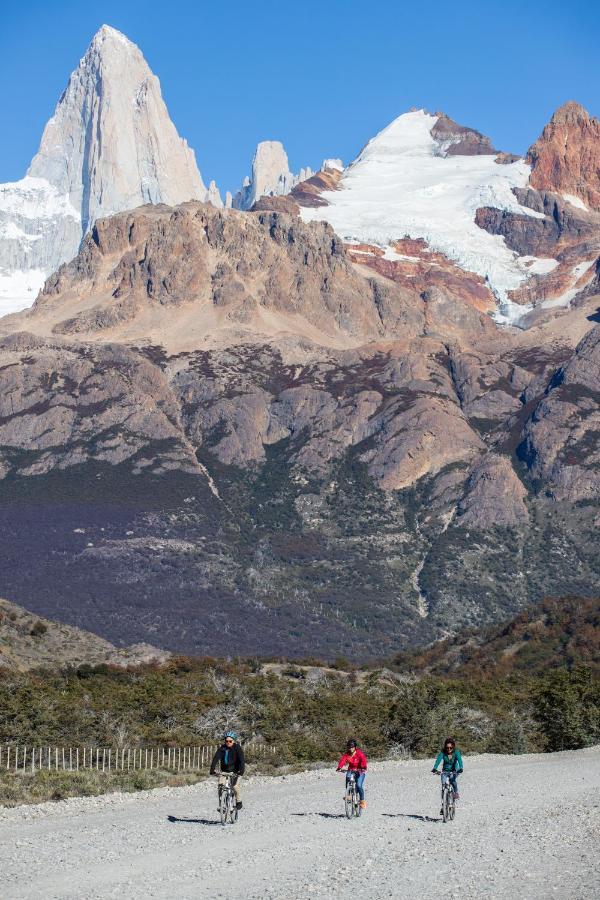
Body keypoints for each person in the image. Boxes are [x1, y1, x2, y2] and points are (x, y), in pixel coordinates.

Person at [210, 731, 245, 810]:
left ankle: (239, 801)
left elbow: (242, 760)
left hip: (236, 771)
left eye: (230, 741)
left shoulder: (237, 748)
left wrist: (241, 771)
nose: (228, 742)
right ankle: (221, 805)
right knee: (220, 786)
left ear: (234, 741)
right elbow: (216, 758)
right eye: (226, 741)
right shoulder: (222, 748)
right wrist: (212, 769)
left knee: (235, 786)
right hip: (224, 771)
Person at [432, 736, 463, 810]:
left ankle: (455, 792)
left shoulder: (456, 752)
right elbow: (438, 760)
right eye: (447, 748)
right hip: (445, 771)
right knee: (443, 786)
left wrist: (461, 768)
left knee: (452, 781)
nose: (449, 749)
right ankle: (443, 805)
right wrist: (435, 768)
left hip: (454, 770)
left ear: (453, 747)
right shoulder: (443, 752)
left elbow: (460, 761)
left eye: (450, 748)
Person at [336, 738, 368, 810]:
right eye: (349, 747)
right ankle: (349, 794)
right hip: (351, 769)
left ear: (355, 747)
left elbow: (363, 761)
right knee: (348, 778)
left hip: (360, 771)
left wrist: (363, 767)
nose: (350, 749)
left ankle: (362, 801)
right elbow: (343, 760)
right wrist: (339, 767)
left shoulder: (359, 753)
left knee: (359, 785)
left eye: (352, 747)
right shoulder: (347, 754)